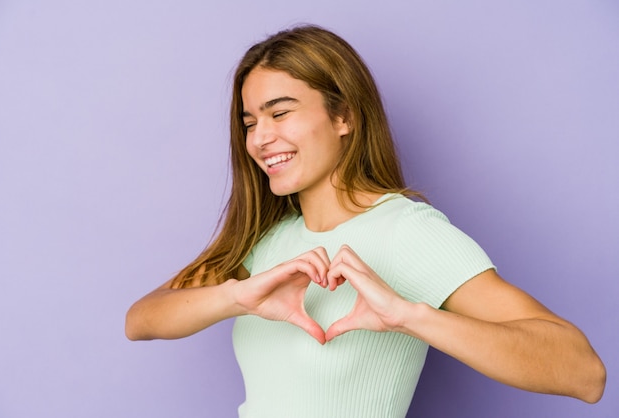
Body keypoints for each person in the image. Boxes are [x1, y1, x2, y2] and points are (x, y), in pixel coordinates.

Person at [125, 25, 606, 417]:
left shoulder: (406, 230)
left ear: (344, 117)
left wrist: (412, 317)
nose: (260, 139)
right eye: (250, 122)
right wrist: (235, 296)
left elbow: (583, 373)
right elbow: (141, 320)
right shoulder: (267, 237)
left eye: (281, 113)